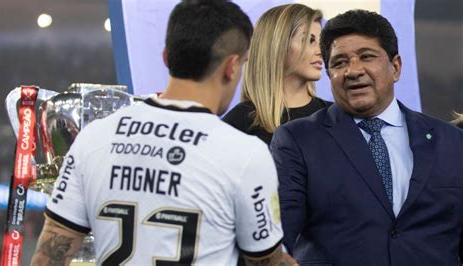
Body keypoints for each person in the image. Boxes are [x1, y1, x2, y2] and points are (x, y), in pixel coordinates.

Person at [31, 1, 294, 265]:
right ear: (232, 66)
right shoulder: (244, 153)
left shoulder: (93, 139)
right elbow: (266, 261)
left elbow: (49, 255)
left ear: (166, 57)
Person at [271, 9, 463, 265]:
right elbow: (276, 239)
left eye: (366, 57)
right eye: (339, 63)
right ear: (329, 75)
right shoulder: (298, 140)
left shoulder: (451, 141)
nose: (353, 71)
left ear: (395, 67)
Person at [223, 4, 331, 145]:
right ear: (277, 45)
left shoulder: (335, 116)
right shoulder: (238, 123)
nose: (320, 51)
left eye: (320, 42)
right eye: (309, 40)